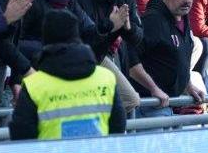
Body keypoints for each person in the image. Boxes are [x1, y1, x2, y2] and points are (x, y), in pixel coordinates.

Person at [10, 9, 126, 140]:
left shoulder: (34, 85)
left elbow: (21, 135)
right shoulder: (106, 78)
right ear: (76, 35)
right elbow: (118, 127)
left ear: (45, 38)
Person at [72, 0, 142, 118]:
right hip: (77, 59)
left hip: (102, 56)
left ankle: (106, 134)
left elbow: (138, 38)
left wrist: (127, 28)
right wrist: (110, 26)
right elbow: (83, 42)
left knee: (131, 99)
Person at [130, 0, 205, 118]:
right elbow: (130, 61)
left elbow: (178, 59)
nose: (187, 0)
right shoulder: (152, 21)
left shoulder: (183, 17)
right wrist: (153, 89)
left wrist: (188, 86)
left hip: (172, 104)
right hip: (150, 106)